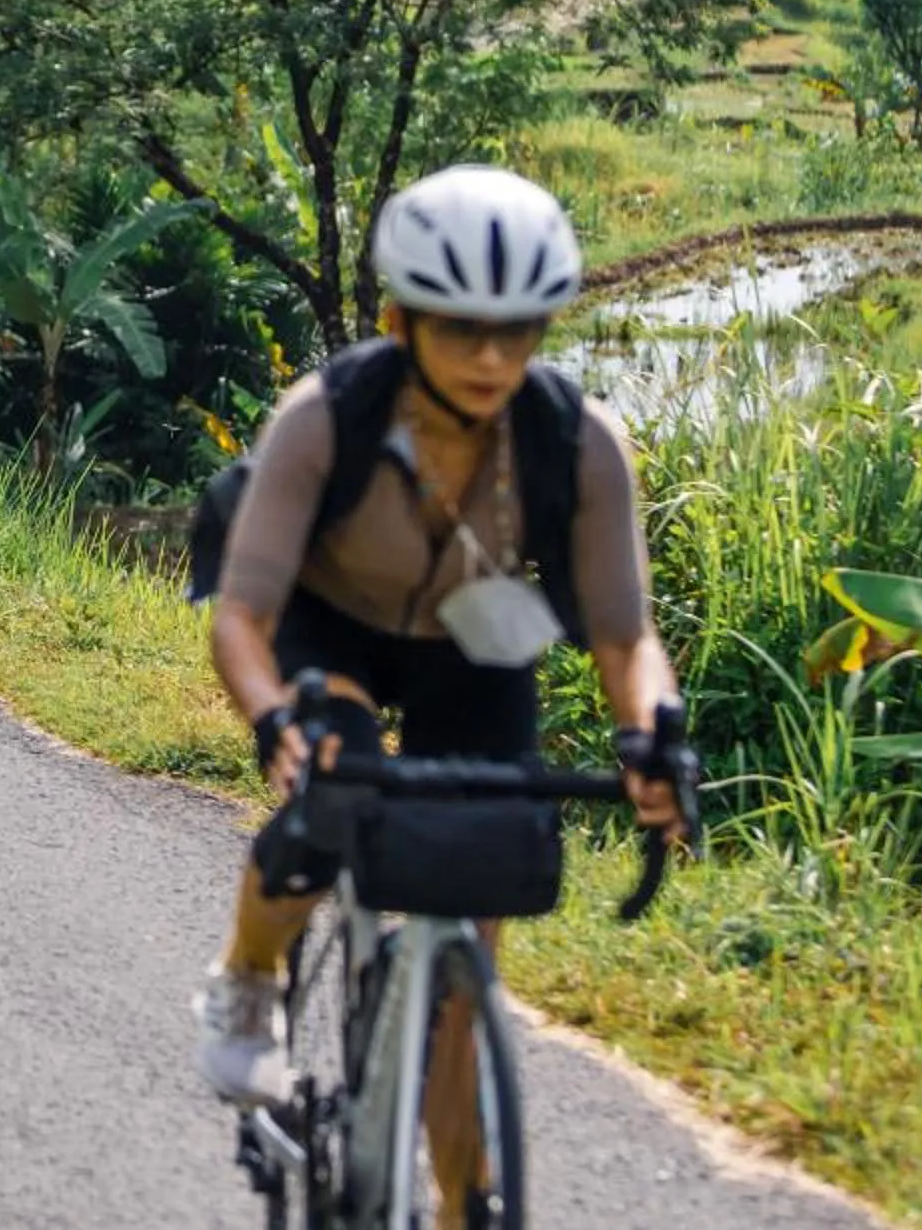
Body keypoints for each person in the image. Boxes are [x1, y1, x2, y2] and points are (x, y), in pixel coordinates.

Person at [191, 165, 695, 1223]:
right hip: (326, 626)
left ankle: (468, 1202)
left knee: (470, 947)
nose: (492, 357)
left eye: (518, 330)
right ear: (399, 320)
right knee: (330, 795)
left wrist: (652, 734)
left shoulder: (578, 442)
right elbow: (240, 619)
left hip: (471, 642)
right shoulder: (325, 419)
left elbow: (623, 636)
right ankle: (249, 975)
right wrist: (274, 719)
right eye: (462, 327)